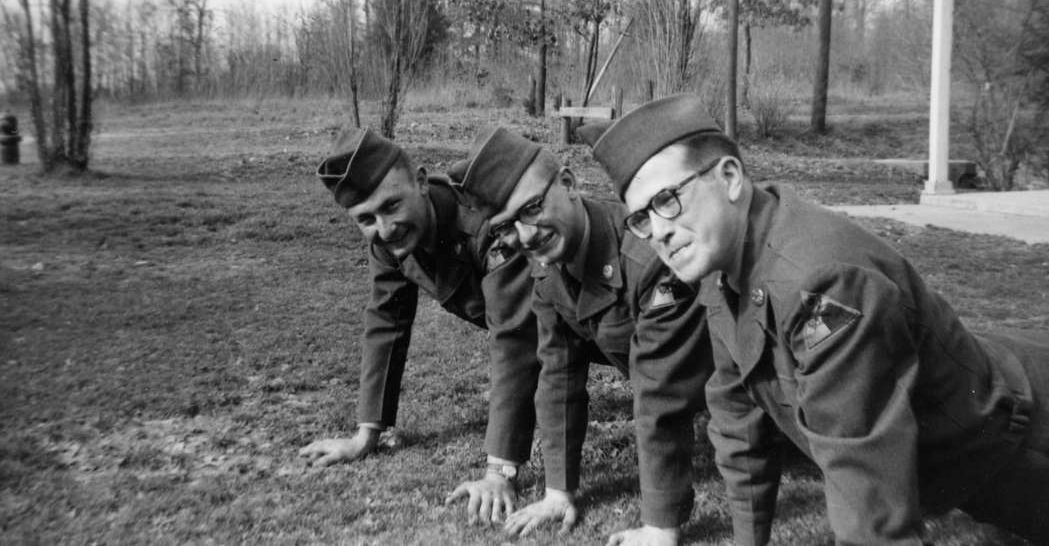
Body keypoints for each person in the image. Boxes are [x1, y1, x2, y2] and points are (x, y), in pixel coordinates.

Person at [588, 93, 1049, 546]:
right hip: (963, 452)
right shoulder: (722, 265)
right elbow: (737, 417)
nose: (659, 231)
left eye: (668, 200)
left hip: (1018, 444)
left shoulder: (822, 281)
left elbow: (865, 483)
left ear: (729, 177)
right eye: (642, 219)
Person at [450, 126, 712, 543]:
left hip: (758, 396)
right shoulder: (545, 268)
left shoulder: (644, 256)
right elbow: (558, 376)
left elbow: (661, 392)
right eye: (504, 228)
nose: (526, 235)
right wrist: (558, 491)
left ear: (568, 183)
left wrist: (661, 527)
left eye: (532, 208)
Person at [301, 126, 540, 526]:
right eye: (366, 219)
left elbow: (515, 340)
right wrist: (366, 433)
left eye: (392, 205)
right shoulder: (387, 240)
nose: (385, 228)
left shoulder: (485, 222)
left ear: (422, 182)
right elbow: (386, 320)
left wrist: (499, 471)